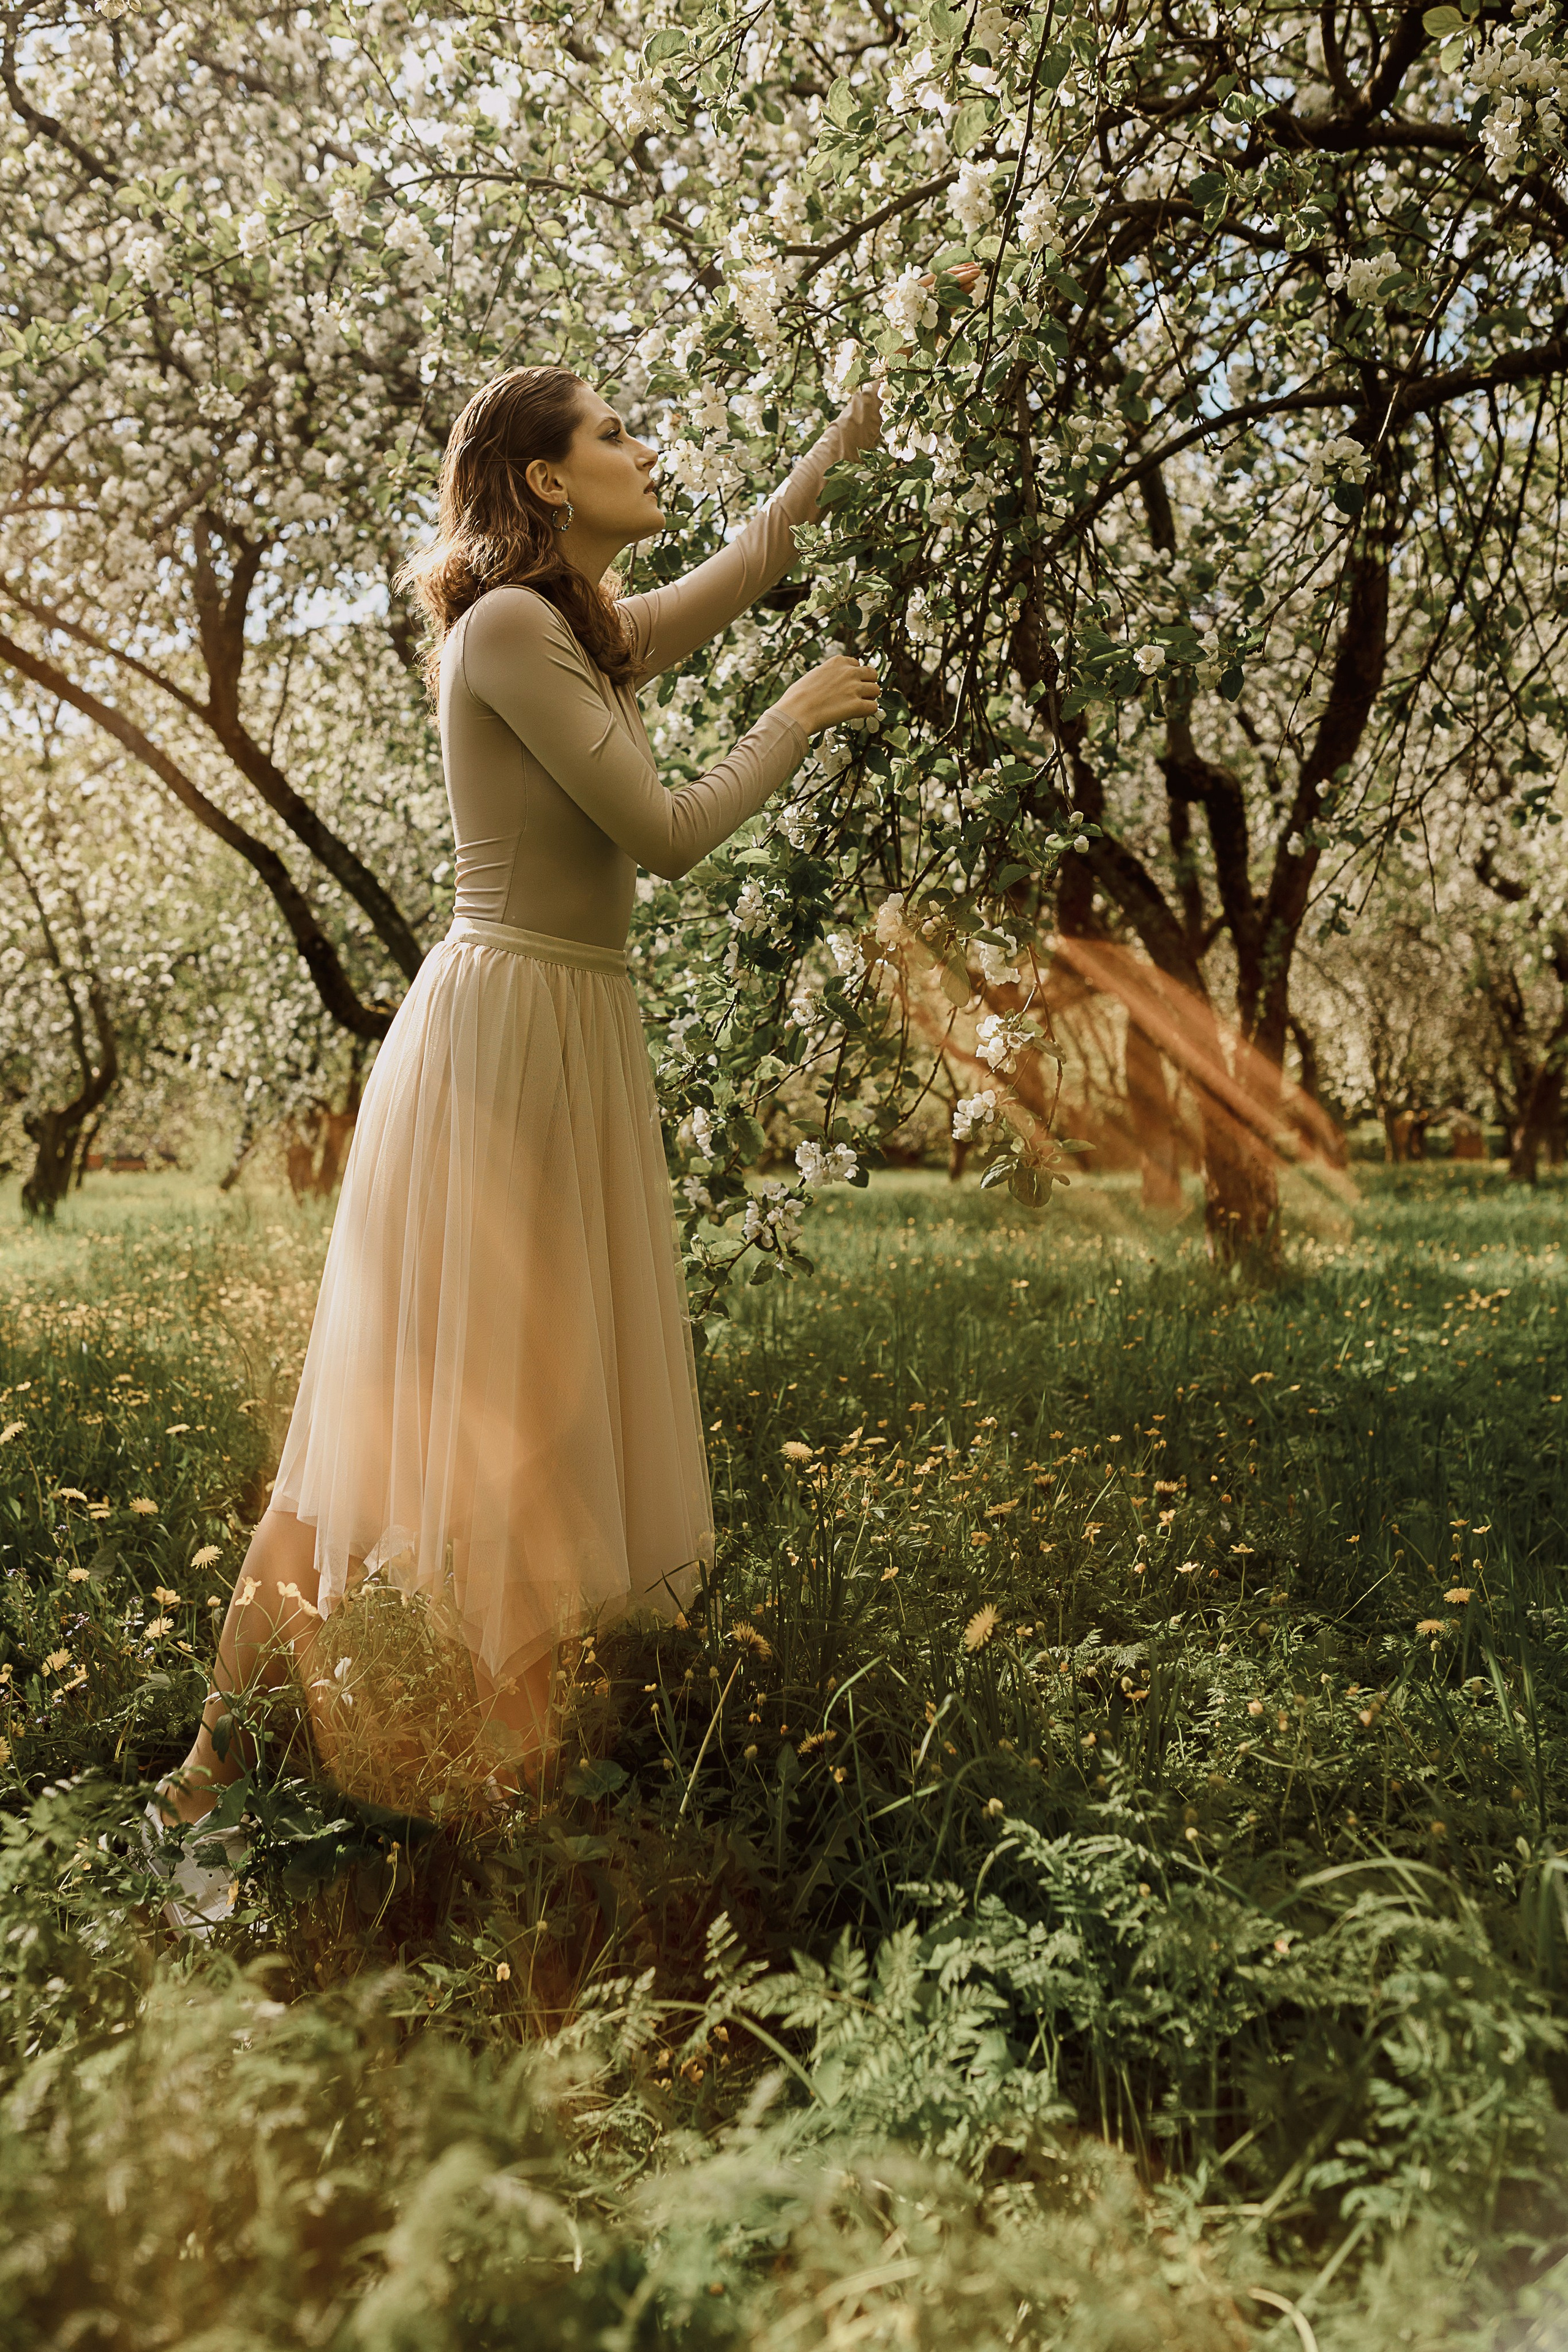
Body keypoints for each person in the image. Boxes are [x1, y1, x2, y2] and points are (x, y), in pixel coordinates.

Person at [148, 356, 884, 1852]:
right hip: (499, 1041)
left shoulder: (582, 631)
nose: (643, 445)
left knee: (543, 1417)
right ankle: (210, 1777)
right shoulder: (505, 628)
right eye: (611, 434)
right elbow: (667, 835)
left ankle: (508, 1819)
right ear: (547, 480)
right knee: (378, 1424)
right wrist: (796, 717)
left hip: (571, 1027)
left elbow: (754, 556)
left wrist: (867, 405)